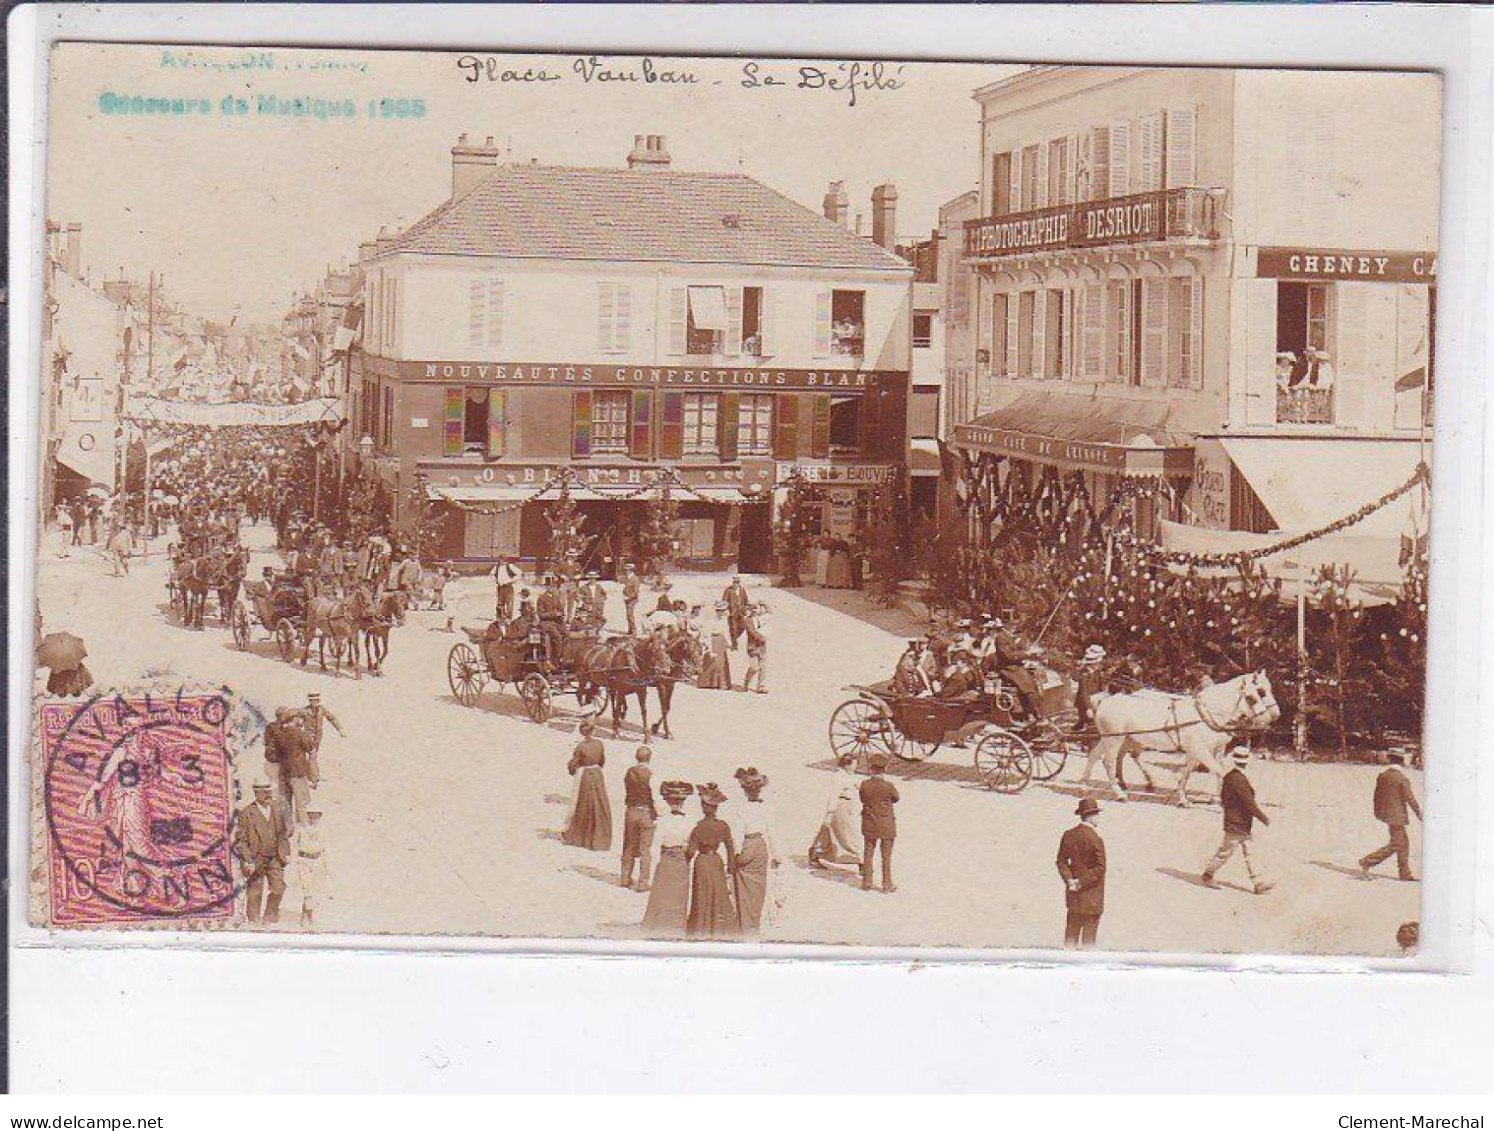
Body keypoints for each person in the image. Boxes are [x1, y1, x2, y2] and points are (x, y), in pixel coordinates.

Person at [1201, 746, 1274, 894]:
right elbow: (1249, 803)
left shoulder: (1229, 776)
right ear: (1246, 762)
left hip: (1237, 822)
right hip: (1237, 824)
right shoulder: (1239, 779)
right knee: (1225, 853)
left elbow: (1223, 799)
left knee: (1249, 852)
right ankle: (1208, 875)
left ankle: (1258, 883)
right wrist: (1263, 818)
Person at [641, 781, 694, 937]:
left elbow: (655, 846)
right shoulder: (689, 821)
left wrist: (652, 871)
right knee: (679, 894)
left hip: (665, 859)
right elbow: (690, 844)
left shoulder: (662, 821)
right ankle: (677, 926)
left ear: (667, 801)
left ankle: (659, 926)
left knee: (662, 893)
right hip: (681, 859)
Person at [1358, 752, 1421, 882]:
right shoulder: (1402, 779)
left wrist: (1378, 812)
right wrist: (1420, 814)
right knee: (1397, 844)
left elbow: (1377, 796)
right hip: (1398, 816)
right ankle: (1367, 861)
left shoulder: (1383, 776)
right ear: (1401, 762)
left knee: (1403, 843)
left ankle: (1405, 874)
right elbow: (1410, 798)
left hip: (1387, 815)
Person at [685, 784, 738, 938]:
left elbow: (690, 851)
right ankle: (717, 927)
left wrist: (684, 860)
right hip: (716, 861)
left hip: (701, 862)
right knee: (718, 893)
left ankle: (701, 927)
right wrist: (731, 867)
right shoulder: (723, 826)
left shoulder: (698, 828)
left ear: (703, 807)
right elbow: (730, 847)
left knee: (701, 895)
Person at [234, 780, 289, 925]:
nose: (268, 795)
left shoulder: (276, 809)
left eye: (269, 791)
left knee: (278, 888)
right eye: (265, 792)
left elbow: (283, 834)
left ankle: (269, 919)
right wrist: (248, 860)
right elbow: (241, 840)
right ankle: (254, 922)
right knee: (255, 892)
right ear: (256, 793)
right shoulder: (246, 813)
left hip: (275, 858)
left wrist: (285, 852)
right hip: (255, 858)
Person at [731, 767, 779, 936]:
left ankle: (745, 924)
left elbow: (737, 834)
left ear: (744, 791)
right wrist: (777, 854)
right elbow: (772, 831)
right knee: (759, 887)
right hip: (761, 846)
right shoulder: (766, 807)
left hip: (748, 844)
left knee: (743, 886)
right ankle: (755, 923)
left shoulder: (742, 808)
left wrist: (736, 855)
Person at [1056, 798, 1107, 948]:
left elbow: (1061, 861)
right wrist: (1081, 882)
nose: (1099, 818)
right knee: (1089, 941)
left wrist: (1070, 880)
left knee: (1070, 936)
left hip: (1074, 896)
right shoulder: (1095, 838)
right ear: (1091, 817)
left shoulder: (1068, 835)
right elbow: (1100, 868)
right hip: (1092, 897)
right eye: (1097, 814)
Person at [562, 722, 612, 851]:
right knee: (599, 803)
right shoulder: (600, 744)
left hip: (584, 776)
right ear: (593, 731)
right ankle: (600, 838)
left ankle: (579, 835)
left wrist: (571, 768)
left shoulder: (580, 747)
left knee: (581, 804)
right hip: (597, 775)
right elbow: (602, 761)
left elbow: (574, 765)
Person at [809, 754, 862, 868]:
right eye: (854, 764)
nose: (856, 766)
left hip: (846, 805)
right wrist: (830, 812)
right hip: (840, 805)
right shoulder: (839, 777)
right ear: (847, 765)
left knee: (829, 830)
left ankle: (816, 853)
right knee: (846, 832)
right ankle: (859, 858)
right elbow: (834, 795)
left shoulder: (848, 775)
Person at [859, 753, 899, 893]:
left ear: (871, 768)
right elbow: (896, 798)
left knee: (868, 852)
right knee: (886, 856)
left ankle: (867, 881)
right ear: (884, 769)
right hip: (886, 824)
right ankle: (887, 884)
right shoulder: (888, 786)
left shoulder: (864, 785)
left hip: (869, 823)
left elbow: (862, 799)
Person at [620, 746, 657, 891]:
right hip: (646, 812)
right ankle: (643, 882)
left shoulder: (629, 772)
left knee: (629, 845)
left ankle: (625, 877)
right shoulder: (651, 775)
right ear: (649, 758)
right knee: (645, 849)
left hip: (631, 811)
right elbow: (654, 798)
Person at [297, 691, 344, 787]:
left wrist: (340, 729)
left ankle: (315, 775)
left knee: (313, 756)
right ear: (310, 701)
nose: (315, 702)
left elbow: (332, 718)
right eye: (313, 700)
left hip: (318, 736)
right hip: (308, 736)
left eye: (317, 700)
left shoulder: (322, 709)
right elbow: (295, 719)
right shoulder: (303, 711)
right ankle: (314, 779)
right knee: (312, 755)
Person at [294, 807, 329, 929]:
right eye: (311, 816)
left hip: (317, 860)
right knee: (307, 889)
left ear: (320, 816)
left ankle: (305, 915)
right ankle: (309, 917)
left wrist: (325, 865)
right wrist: (296, 862)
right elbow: (295, 845)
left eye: (316, 816)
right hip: (304, 860)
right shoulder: (300, 827)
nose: (313, 819)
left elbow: (325, 847)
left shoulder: (322, 829)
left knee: (313, 891)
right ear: (308, 815)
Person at [697, 601, 733, 690]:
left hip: (721, 642)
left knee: (722, 662)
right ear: (716, 611)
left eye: (722, 610)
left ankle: (722, 683)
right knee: (713, 661)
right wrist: (709, 647)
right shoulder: (711, 620)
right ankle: (709, 683)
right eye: (719, 610)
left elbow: (726, 631)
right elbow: (707, 633)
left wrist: (729, 642)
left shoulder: (724, 620)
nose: (721, 612)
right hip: (713, 641)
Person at [1074, 644, 1107, 732]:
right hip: (1084, 703)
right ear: (1092, 663)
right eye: (1097, 663)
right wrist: (1088, 708)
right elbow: (1084, 692)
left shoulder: (1097, 672)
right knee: (1086, 723)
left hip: (1096, 700)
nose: (1099, 664)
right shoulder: (1084, 675)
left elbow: (1101, 687)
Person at [536, 576, 565, 664]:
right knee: (557, 637)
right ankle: (557, 659)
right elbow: (541, 614)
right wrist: (553, 614)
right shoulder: (541, 598)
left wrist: (561, 613)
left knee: (567, 634)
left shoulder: (556, 597)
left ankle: (564, 655)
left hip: (557, 622)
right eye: (550, 586)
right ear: (546, 587)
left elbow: (561, 609)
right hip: (546, 623)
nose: (552, 588)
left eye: (554, 586)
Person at [741, 603, 768, 694]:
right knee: (754, 667)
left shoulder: (762, 619)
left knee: (763, 667)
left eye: (756, 610)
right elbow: (752, 632)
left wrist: (763, 603)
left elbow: (770, 611)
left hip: (762, 646)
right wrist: (762, 637)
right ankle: (746, 682)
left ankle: (761, 686)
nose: (755, 612)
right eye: (753, 610)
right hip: (753, 646)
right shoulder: (748, 620)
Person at [723, 576, 750, 650]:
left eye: (737, 582)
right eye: (735, 582)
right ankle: (734, 644)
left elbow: (746, 600)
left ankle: (734, 637)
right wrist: (726, 610)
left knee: (743, 626)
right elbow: (724, 601)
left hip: (741, 612)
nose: (736, 584)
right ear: (732, 582)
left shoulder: (742, 590)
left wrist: (746, 609)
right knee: (733, 628)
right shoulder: (728, 590)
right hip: (732, 613)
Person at [621, 564, 641, 636]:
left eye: (627, 570)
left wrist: (629, 597)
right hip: (627, 598)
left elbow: (636, 591)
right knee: (628, 614)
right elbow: (626, 588)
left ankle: (634, 630)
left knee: (630, 614)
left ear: (631, 570)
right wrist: (624, 594)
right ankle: (630, 630)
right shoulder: (628, 578)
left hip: (632, 599)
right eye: (625, 570)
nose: (625, 571)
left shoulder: (635, 578)